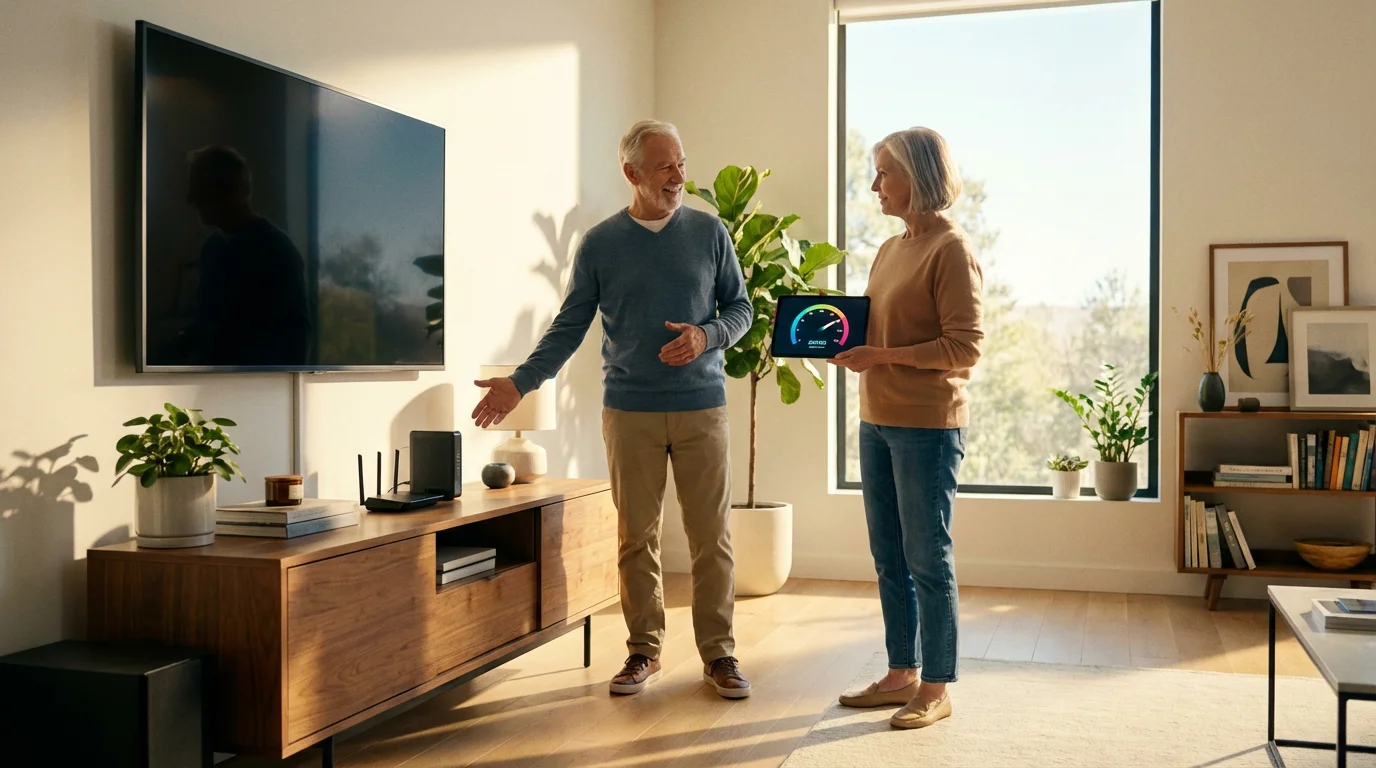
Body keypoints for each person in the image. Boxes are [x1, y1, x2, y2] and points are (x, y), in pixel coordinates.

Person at [471, 120, 755, 699]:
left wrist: (706, 336)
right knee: (636, 537)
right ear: (632, 173)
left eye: (681, 162)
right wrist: (519, 383)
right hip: (629, 412)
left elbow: (741, 309)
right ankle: (643, 650)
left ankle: (719, 655)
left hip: (702, 407)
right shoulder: (601, 243)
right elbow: (569, 325)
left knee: (711, 537)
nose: (678, 176)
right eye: (664, 166)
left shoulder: (709, 232)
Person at [828, 127, 984, 729]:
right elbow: (881, 328)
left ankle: (937, 686)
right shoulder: (890, 249)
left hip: (926, 426)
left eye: (884, 173)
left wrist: (884, 356)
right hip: (876, 418)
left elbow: (964, 347)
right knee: (888, 556)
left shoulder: (951, 249)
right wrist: (839, 340)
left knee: (927, 558)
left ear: (916, 177)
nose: (874, 186)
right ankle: (901, 672)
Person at [181, 145, 311, 367]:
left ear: (230, 190)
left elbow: (293, 338)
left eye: (199, 188)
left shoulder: (276, 250)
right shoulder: (211, 248)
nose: (190, 199)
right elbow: (209, 323)